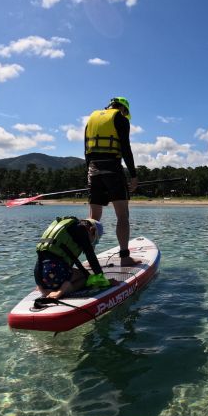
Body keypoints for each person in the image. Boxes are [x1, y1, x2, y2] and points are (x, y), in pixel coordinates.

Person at [84, 96, 139, 264]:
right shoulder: (120, 119)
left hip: (93, 170)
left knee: (93, 218)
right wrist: (133, 175)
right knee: (122, 216)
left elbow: (86, 150)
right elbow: (126, 149)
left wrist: (90, 172)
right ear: (123, 109)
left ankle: (89, 258)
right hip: (113, 170)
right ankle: (125, 257)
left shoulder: (91, 119)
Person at [34, 216, 117, 299]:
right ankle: (62, 290)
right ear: (92, 230)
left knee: (59, 269)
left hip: (40, 276)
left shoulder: (68, 229)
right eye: (94, 240)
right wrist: (103, 280)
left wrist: (39, 283)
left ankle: (44, 289)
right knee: (85, 278)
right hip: (56, 274)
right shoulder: (81, 230)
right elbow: (91, 258)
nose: (92, 243)